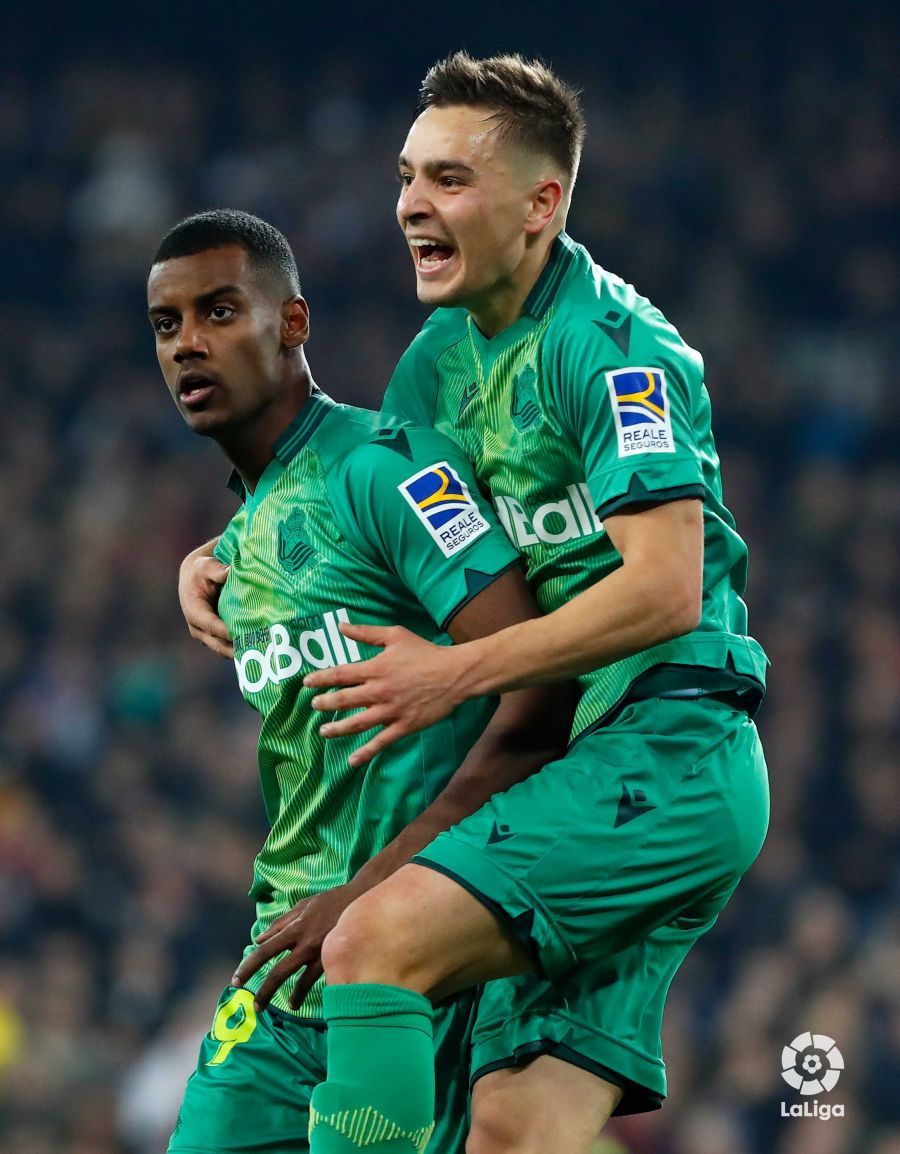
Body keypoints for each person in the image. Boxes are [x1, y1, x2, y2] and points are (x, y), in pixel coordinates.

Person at [181, 54, 770, 1154]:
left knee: (373, 939)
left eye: (448, 179)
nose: (410, 203)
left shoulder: (614, 353)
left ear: (542, 202)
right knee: (506, 1130)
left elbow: (666, 587)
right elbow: (392, 517)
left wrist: (453, 669)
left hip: (665, 748)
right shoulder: (437, 362)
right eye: (408, 176)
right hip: (564, 774)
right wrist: (222, 547)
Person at [148, 207, 574, 1154]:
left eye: (219, 312)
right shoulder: (247, 533)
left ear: (292, 324)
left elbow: (539, 695)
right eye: (168, 326)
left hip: (412, 970)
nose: (188, 345)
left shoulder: (392, 470)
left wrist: (370, 898)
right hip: (281, 966)